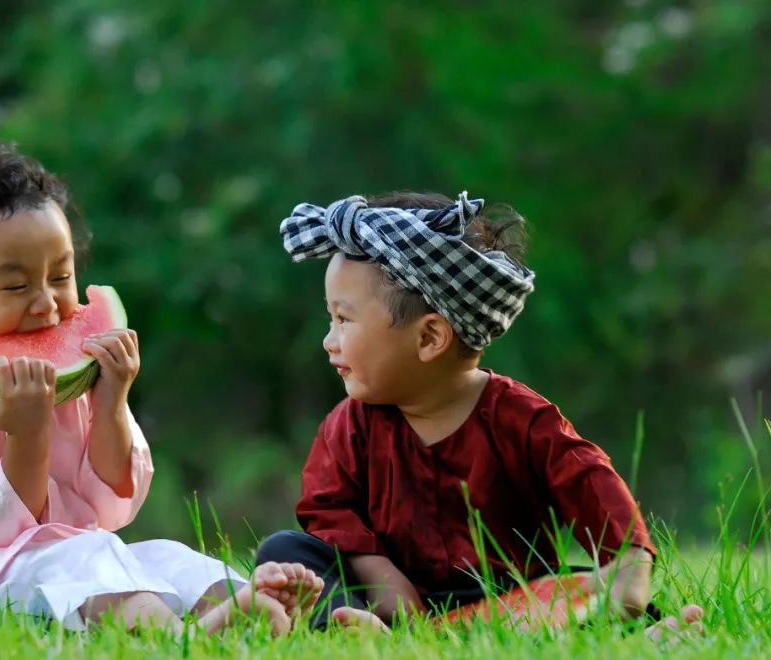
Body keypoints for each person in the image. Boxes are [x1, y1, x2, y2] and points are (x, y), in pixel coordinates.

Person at [0, 130, 321, 634]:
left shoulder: (76, 373)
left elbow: (111, 509)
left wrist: (111, 405)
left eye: (61, 277)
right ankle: (183, 638)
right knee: (85, 558)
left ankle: (248, 603)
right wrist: (27, 433)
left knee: (163, 556)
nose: (46, 304)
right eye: (16, 286)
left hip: (85, 553)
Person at [256, 191, 703, 635]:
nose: (329, 340)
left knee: (578, 591)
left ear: (430, 338)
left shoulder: (520, 419)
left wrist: (628, 566)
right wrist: (383, 579)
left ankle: (647, 634)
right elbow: (329, 509)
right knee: (286, 551)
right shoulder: (350, 426)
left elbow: (590, 483)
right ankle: (357, 629)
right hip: (384, 594)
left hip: (504, 596)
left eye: (343, 320)